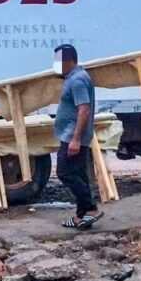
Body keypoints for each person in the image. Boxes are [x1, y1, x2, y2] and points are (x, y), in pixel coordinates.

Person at [53, 44, 103, 230]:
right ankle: (81, 217)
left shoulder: (78, 80)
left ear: (69, 60)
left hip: (73, 136)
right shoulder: (74, 77)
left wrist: (76, 139)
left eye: (58, 61)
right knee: (79, 173)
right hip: (70, 134)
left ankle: (91, 208)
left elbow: (84, 109)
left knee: (65, 172)